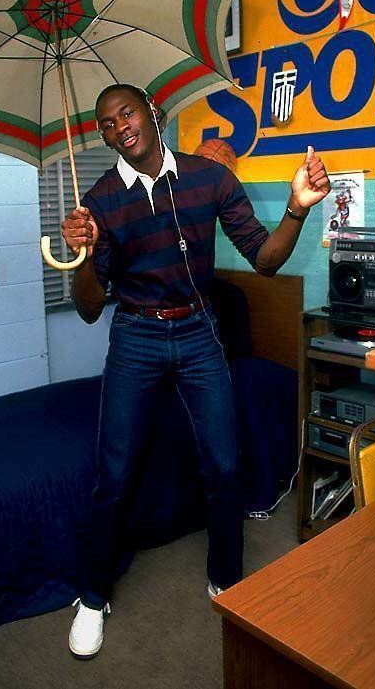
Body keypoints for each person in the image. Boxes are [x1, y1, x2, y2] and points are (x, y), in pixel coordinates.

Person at [61, 83, 330, 659]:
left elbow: (264, 257)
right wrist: (84, 256)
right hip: (135, 334)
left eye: (126, 113)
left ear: (151, 113)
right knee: (114, 471)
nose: (118, 126)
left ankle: (226, 577)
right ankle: (91, 595)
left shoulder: (210, 179)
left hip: (200, 331)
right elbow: (87, 308)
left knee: (226, 464)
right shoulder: (100, 202)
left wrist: (296, 208)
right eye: (106, 123)